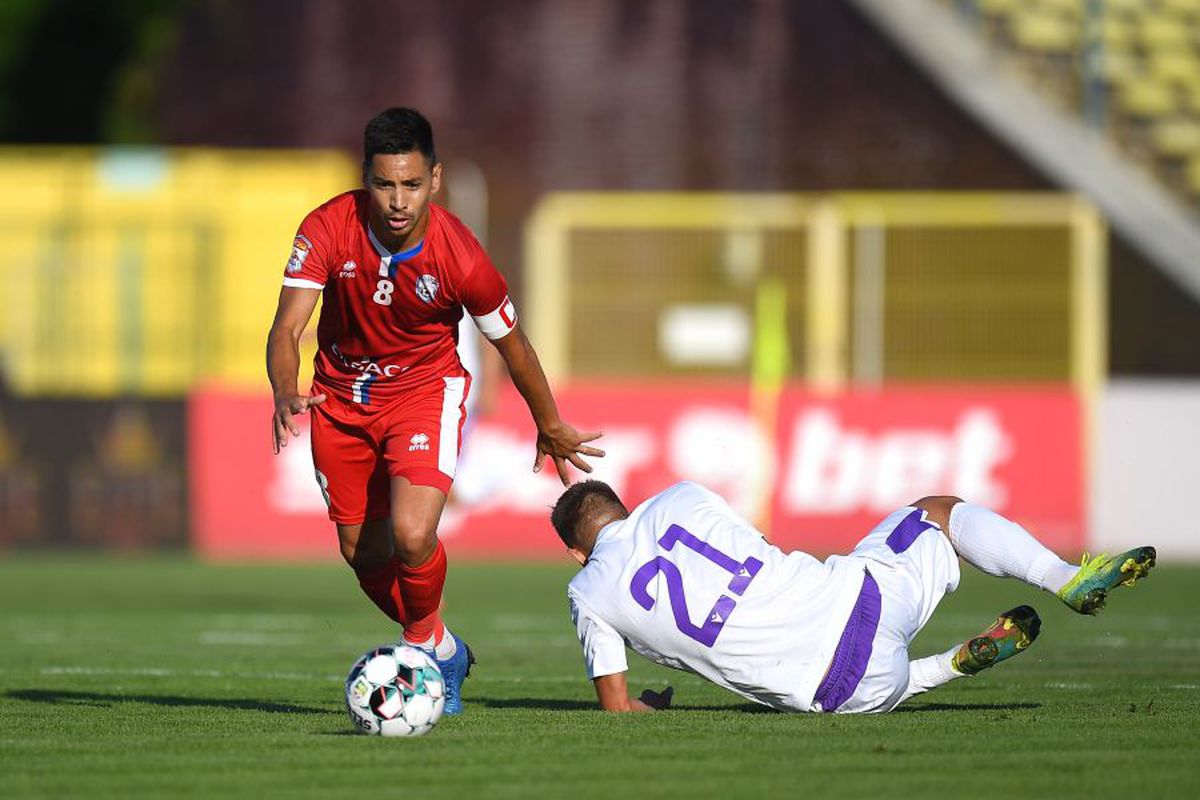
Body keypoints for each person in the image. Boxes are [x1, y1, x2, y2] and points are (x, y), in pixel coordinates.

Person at [267, 107, 603, 714]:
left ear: (436, 179)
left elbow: (513, 345)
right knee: (361, 555)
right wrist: (284, 388)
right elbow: (288, 327)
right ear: (364, 177)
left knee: (412, 533)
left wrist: (548, 422)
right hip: (340, 401)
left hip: (424, 394)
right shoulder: (325, 227)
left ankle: (422, 649)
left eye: (412, 184)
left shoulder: (461, 256)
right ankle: (442, 644)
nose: (398, 200)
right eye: (385, 184)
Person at [551, 480, 1155, 713]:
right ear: (626, 509)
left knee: (868, 680)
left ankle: (948, 666)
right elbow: (759, 544)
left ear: (576, 553)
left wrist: (653, 704)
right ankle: (1062, 578)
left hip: (845, 694)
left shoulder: (587, 592)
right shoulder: (682, 496)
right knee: (938, 512)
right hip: (863, 603)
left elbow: (617, 710)